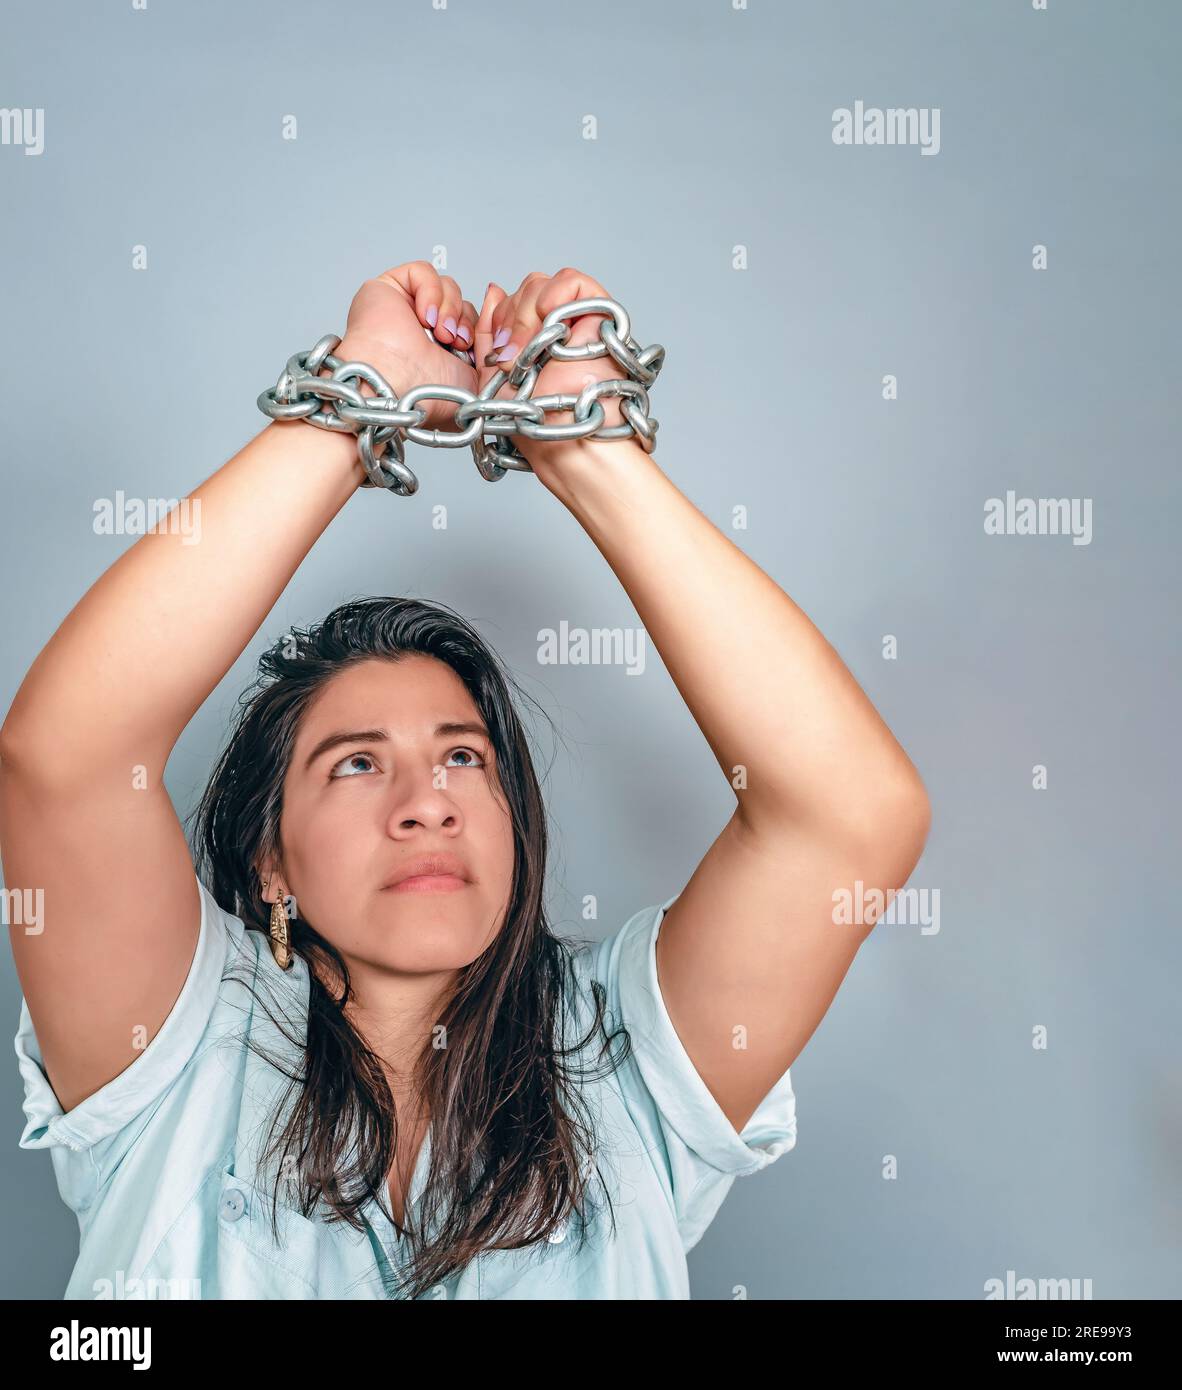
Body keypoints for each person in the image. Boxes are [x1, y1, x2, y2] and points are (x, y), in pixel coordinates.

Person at [1, 262, 930, 1300]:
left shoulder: (624, 1063)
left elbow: (851, 817)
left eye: (462, 756)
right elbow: (64, 758)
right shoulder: (174, 1052)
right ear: (272, 865)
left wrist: (589, 452)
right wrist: (357, 397)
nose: (425, 801)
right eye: (356, 762)